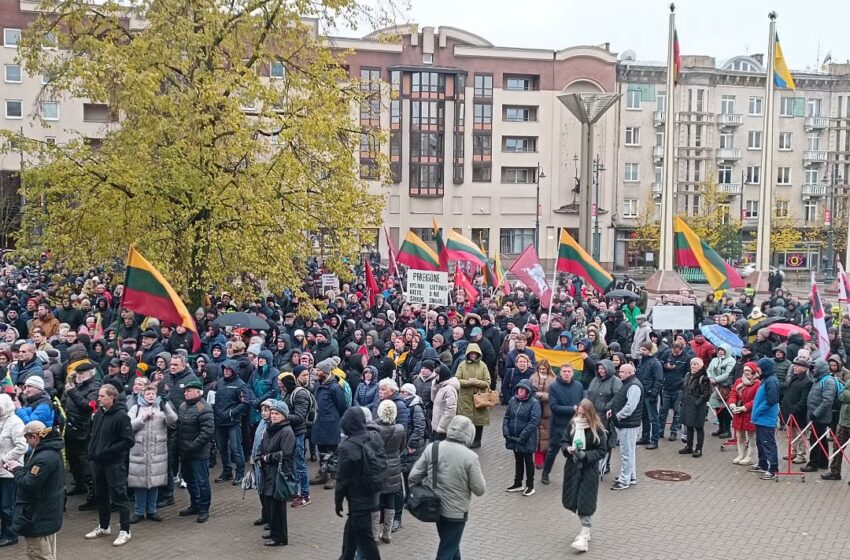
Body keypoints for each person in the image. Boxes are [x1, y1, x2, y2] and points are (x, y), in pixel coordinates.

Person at [408, 416, 486, 560]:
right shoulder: (470, 457)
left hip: (435, 508)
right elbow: (480, 490)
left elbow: (413, 476)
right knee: (447, 550)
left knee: (450, 546)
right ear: (470, 434)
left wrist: (423, 488)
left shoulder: (433, 447)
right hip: (456, 513)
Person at [84, 383, 135, 547]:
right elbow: (94, 436)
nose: (98, 398)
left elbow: (128, 441)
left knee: (119, 496)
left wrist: (108, 451)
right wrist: (92, 452)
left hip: (114, 463)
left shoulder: (121, 416)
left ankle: (125, 531)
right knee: (101, 495)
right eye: (99, 395)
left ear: (112, 397)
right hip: (98, 462)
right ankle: (104, 526)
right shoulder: (99, 415)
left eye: (102, 396)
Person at [5, 421, 64, 560]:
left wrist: (16, 469)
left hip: (38, 516)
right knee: (49, 553)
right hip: (47, 513)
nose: (26, 442)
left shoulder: (43, 458)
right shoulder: (52, 452)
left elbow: (28, 484)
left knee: (38, 555)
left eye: (27, 438)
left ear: (34, 437)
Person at [335, 407, 385, 560]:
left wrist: (338, 502)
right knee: (351, 532)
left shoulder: (347, 447)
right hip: (373, 492)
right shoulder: (374, 436)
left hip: (358, 500)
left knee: (366, 541)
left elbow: (342, 479)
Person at [561, 399, 609, 553]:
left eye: (583, 414)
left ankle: (585, 533)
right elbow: (564, 440)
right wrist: (567, 448)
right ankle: (585, 532)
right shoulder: (573, 424)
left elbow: (602, 450)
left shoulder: (597, 429)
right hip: (573, 468)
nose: (580, 416)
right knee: (574, 498)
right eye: (578, 413)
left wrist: (585, 455)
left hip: (588, 470)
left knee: (585, 501)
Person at [127, 383, 177, 523]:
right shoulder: (135, 408)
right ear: (142, 395)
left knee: (154, 482)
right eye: (148, 394)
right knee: (140, 483)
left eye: (153, 394)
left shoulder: (161, 408)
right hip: (139, 451)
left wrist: (165, 405)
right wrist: (142, 419)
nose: (150, 396)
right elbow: (127, 426)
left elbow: (173, 420)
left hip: (157, 451)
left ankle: (151, 510)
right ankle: (138, 511)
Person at [61, 361, 101, 505]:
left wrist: (72, 392)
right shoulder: (74, 386)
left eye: (81, 373)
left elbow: (87, 406)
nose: (78, 376)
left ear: (90, 373)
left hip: (84, 429)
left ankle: (92, 494)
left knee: (85, 462)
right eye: (77, 373)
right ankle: (79, 485)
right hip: (70, 427)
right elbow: (64, 403)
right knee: (73, 460)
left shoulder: (95, 387)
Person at [176, 379, 215, 523]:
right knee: (188, 479)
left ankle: (204, 509)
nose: (186, 393)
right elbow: (178, 427)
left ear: (198, 392)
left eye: (189, 390)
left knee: (202, 481)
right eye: (185, 390)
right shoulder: (183, 406)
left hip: (198, 453)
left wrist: (193, 446)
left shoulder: (204, 408)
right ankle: (195, 504)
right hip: (185, 451)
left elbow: (207, 432)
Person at [258, 400, 296, 546]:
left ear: (284, 416)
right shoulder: (270, 428)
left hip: (279, 472)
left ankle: (280, 537)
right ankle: (274, 531)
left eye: (277, 414)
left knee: (277, 506)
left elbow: (285, 453)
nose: (273, 416)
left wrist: (268, 457)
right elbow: (264, 446)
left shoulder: (287, 431)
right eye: (272, 413)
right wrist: (259, 456)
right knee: (269, 501)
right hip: (268, 470)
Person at [541, 364, 583, 485]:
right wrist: (573, 409)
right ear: (560, 373)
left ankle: (574, 475)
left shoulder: (578, 386)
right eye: (564, 371)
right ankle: (545, 473)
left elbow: (582, 402)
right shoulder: (554, 387)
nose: (566, 373)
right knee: (552, 451)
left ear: (573, 373)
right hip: (558, 425)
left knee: (575, 450)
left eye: (569, 371)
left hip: (575, 425)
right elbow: (554, 407)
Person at [213, 359, 250, 485]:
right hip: (219, 421)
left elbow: (245, 403)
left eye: (228, 369)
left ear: (234, 370)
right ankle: (227, 472)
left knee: (236, 449)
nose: (226, 371)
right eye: (224, 369)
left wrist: (231, 413)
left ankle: (240, 474)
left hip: (233, 422)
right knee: (222, 449)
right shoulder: (219, 382)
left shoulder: (240, 384)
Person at [374, 400, 405, 543]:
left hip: (378, 467)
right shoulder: (400, 429)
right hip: (394, 466)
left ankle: (374, 535)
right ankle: (387, 533)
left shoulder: (374, 429)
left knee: (376, 499)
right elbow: (402, 447)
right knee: (390, 498)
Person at [503, 379, 541, 496]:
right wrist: (506, 430)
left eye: (523, 389)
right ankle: (518, 483)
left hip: (527, 438)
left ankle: (530, 485)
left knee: (528, 461)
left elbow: (533, 422)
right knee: (518, 460)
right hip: (514, 437)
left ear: (528, 391)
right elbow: (507, 417)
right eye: (519, 388)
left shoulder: (534, 403)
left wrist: (523, 436)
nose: (520, 391)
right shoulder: (513, 400)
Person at [609, 362, 643, 490]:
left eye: (622, 372)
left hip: (629, 424)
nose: (620, 373)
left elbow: (630, 407)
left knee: (626, 452)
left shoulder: (633, 386)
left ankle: (624, 480)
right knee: (629, 452)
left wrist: (617, 415)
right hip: (628, 423)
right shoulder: (629, 384)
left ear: (630, 373)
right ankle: (631, 476)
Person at [802, 359, 838, 473]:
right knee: (821, 439)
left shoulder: (828, 381)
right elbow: (809, 374)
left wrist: (816, 413)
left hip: (820, 416)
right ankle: (823, 462)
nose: (813, 370)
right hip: (816, 415)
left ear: (821, 369)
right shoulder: (819, 379)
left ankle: (814, 463)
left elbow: (827, 401)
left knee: (815, 439)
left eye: (815, 368)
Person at [0, 393, 26, 547]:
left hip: (9, 471)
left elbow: (22, 446)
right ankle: (4, 531)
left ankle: (11, 534)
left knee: (7, 505)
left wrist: (5, 458)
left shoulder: (15, 422)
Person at [454, 343, 491, 448]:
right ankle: (466, 440)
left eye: (475, 353)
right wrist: (469, 382)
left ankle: (477, 440)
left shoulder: (483, 365)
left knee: (479, 421)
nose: (473, 355)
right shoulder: (462, 365)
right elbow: (457, 379)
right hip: (465, 398)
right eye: (471, 353)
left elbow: (487, 381)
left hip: (480, 397)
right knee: (466, 420)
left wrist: (477, 383)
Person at [750, 358, 781, 480]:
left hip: (766, 418)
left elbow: (771, 400)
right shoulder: (766, 379)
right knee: (761, 443)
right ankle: (762, 464)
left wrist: (758, 411)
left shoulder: (771, 381)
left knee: (768, 443)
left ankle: (773, 469)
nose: (758, 372)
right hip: (761, 418)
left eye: (759, 369)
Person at [657, 341, 692, 442]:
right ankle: (660, 431)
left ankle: (673, 432)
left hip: (679, 388)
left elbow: (688, 373)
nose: (674, 354)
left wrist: (683, 383)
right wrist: (666, 367)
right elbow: (660, 363)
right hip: (666, 387)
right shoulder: (667, 353)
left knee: (677, 411)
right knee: (663, 411)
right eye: (673, 351)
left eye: (676, 352)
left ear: (681, 350)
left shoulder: (687, 358)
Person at [780, 355, 812, 465]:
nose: (794, 367)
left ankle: (801, 455)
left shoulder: (807, 382)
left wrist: (795, 409)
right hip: (789, 411)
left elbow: (804, 399)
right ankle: (792, 452)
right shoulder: (794, 378)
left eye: (798, 366)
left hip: (799, 414)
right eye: (795, 365)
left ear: (805, 368)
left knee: (800, 434)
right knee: (791, 434)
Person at [728, 362, 760, 466]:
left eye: (748, 370)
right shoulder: (739, 381)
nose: (746, 372)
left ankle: (750, 456)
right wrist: (732, 403)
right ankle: (740, 454)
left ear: (753, 371)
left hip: (749, 413)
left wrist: (745, 407)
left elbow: (756, 400)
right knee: (739, 434)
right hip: (738, 412)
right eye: (745, 370)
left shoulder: (758, 383)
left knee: (751, 436)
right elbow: (733, 393)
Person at [679, 357, 710, 458]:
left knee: (699, 427)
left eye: (696, 364)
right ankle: (689, 446)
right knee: (689, 426)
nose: (693, 366)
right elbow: (684, 388)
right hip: (687, 405)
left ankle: (698, 448)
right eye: (692, 364)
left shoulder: (703, 378)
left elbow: (705, 394)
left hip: (698, 407)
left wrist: (697, 403)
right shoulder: (688, 375)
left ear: (700, 366)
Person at [635, 342, 663, 449]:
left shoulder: (655, 363)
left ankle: (654, 440)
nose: (641, 352)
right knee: (644, 417)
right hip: (642, 393)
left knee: (653, 418)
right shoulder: (641, 362)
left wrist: (654, 393)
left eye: (644, 350)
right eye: (641, 349)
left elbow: (658, 379)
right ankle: (645, 436)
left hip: (650, 394)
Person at [529, 360, 555, 469]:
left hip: (548, 411)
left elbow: (554, 395)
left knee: (546, 435)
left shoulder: (553, 380)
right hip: (535, 409)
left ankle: (544, 458)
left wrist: (543, 396)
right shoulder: (532, 377)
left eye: (544, 369)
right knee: (536, 435)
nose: (542, 371)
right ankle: (538, 460)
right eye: (540, 369)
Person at [707, 344, 735, 439]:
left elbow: (728, 374)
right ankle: (721, 428)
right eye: (719, 350)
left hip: (725, 388)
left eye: (722, 350)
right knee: (717, 407)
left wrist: (716, 379)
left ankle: (727, 430)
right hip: (715, 388)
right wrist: (710, 378)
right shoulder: (714, 360)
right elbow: (709, 369)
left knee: (725, 409)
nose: (720, 352)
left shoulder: (731, 361)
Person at [431, 366, 459, 441]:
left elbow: (451, 411)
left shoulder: (449, 390)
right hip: (437, 424)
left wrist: (442, 427)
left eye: (437, 376)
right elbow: (433, 399)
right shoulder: (441, 386)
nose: (435, 378)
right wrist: (434, 386)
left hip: (442, 428)